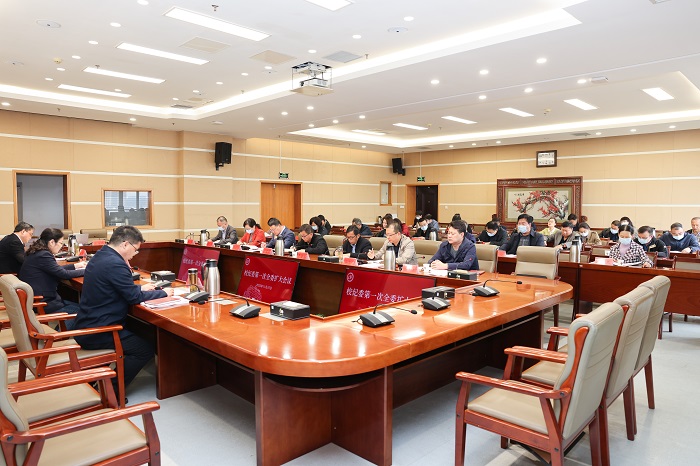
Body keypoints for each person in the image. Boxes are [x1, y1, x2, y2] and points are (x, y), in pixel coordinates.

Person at [73, 226, 174, 398]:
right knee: (144, 350)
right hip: (100, 330)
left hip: (87, 323)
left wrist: (141, 288)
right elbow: (133, 297)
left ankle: (101, 382)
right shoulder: (115, 263)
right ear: (125, 244)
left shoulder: (101, 255)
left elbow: (117, 287)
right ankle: (111, 391)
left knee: (140, 332)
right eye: (135, 249)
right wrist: (163, 293)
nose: (135, 254)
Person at [19, 228, 87, 316]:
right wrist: (88, 270)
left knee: (78, 305)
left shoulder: (37, 252)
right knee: (85, 312)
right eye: (61, 243)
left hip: (36, 298)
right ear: (51, 242)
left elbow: (55, 269)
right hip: (43, 302)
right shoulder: (43, 255)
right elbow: (64, 274)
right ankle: (64, 324)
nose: (61, 246)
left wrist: (75, 266)